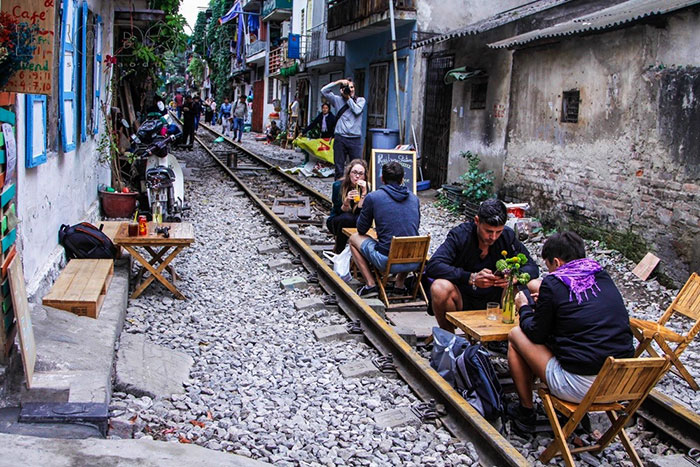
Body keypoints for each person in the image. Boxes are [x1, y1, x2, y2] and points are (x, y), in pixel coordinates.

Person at [506, 231, 634, 432]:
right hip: (619, 382)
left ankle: (526, 411)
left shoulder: (554, 282)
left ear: (556, 262)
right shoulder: (602, 275)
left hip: (580, 386)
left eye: (548, 267)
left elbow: (536, 333)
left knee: (516, 335)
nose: (549, 273)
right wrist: (550, 305)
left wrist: (524, 307)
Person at [424, 199, 539, 333]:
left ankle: (517, 337)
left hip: (498, 298)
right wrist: (470, 278)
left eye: (498, 232)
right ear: (477, 221)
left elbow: (532, 267)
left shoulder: (508, 236)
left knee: (536, 284)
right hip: (463, 297)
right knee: (439, 287)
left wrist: (513, 277)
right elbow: (433, 266)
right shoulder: (460, 235)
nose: (493, 237)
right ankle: (449, 339)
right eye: (488, 231)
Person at [348, 161, 420, 298]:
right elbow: (414, 227)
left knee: (353, 239)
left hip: (388, 261)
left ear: (382, 179)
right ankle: (400, 284)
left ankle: (370, 285)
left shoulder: (374, 197)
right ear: (402, 179)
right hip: (414, 260)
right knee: (406, 237)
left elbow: (361, 229)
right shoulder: (415, 199)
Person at [321, 78, 366, 180]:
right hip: (340, 138)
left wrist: (348, 98)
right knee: (339, 167)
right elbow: (323, 91)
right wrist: (339, 82)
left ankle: (355, 191)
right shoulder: (337, 100)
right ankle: (339, 191)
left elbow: (357, 110)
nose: (350, 89)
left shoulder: (360, 100)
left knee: (357, 167)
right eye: (347, 87)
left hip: (355, 139)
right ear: (341, 90)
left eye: (351, 87)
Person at [327, 160, 369, 253]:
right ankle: (339, 249)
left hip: (357, 219)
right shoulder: (338, 186)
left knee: (359, 219)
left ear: (365, 176)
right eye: (354, 172)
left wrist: (364, 194)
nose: (357, 176)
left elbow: (363, 212)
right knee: (347, 218)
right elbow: (337, 211)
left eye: (361, 174)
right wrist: (346, 202)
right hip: (338, 219)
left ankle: (359, 252)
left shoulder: (367, 187)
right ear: (349, 173)